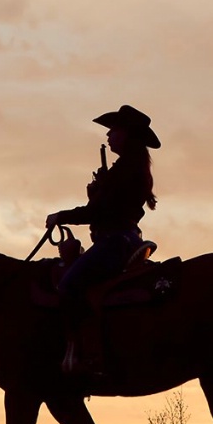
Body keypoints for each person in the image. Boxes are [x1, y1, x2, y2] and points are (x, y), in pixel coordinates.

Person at [45, 105, 160, 377]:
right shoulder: (131, 169)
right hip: (125, 239)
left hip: (115, 242)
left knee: (70, 285)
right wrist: (98, 192)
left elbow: (102, 212)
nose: (109, 134)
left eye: (115, 129)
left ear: (127, 135)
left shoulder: (125, 171)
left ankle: (89, 356)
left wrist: (62, 215)